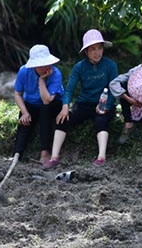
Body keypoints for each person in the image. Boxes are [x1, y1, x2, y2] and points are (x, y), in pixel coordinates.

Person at [43, 30, 119, 170]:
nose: (97, 52)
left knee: (101, 120)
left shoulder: (110, 65)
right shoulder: (79, 67)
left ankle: (101, 157)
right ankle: (54, 157)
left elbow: (114, 88)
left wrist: (107, 105)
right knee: (63, 119)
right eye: (93, 49)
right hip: (84, 104)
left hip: (103, 104)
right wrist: (65, 106)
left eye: (99, 48)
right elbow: (69, 89)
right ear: (86, 51)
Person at [12, 44, 63, 165]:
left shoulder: (56, 74)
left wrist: (41, 80)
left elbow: (47, 100)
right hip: (32, 103)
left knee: (45, 111)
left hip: (51, 103)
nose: (45, 67)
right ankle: (16, 154)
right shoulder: (24, 71)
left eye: (46, 63)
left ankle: (45, 153)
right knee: (24, 121)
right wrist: (24, 112)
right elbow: (17, 94)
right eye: (41, 65)